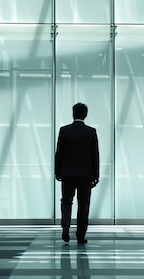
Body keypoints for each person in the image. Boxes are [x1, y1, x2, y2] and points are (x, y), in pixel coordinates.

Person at [55, 103, 100, 244]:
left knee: (66, 201)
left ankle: (65, 230)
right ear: (85, 115)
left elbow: (59, 154)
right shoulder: (91, 132)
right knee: (83, 204)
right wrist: (96, 175)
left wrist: (58, 172)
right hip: (86, 174)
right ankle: (81, 235)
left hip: (68, 173)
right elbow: (95, 155)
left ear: (73, 113)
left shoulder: (64, 130)